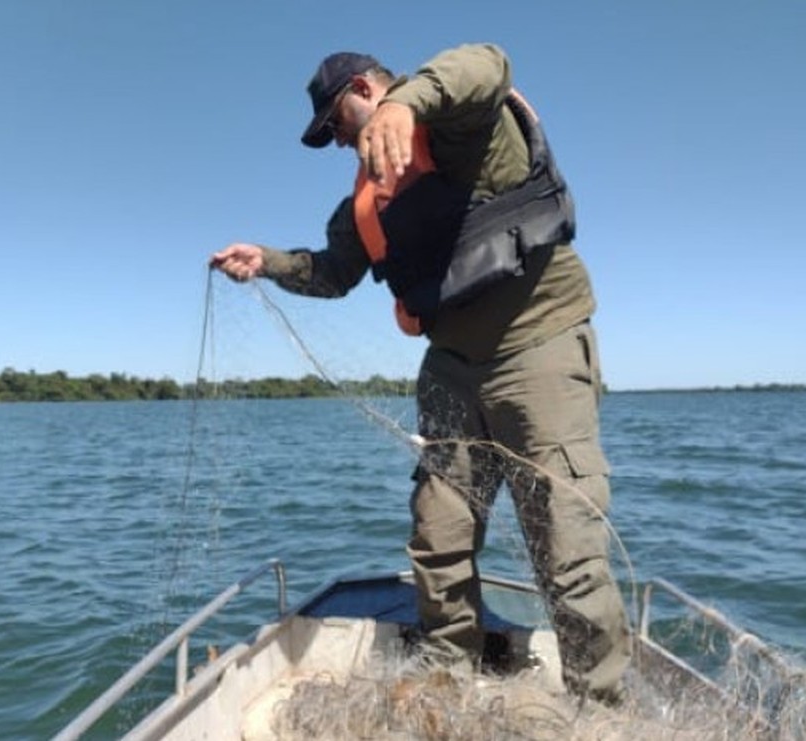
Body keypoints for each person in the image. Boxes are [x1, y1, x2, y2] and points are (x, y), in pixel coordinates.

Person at [210, 43, 631, 703]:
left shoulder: (452, 115)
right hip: (449, 368)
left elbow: (489, 63)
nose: (342, 142)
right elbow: (331, 272)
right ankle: (449, 677)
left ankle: (600, 704)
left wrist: (406, 105)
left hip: (538, 342)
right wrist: (263, 260)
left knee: (565, 546)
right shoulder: (365, 198)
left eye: (338, 125)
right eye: (331, 139)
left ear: (362, 89)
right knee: (438, 534)